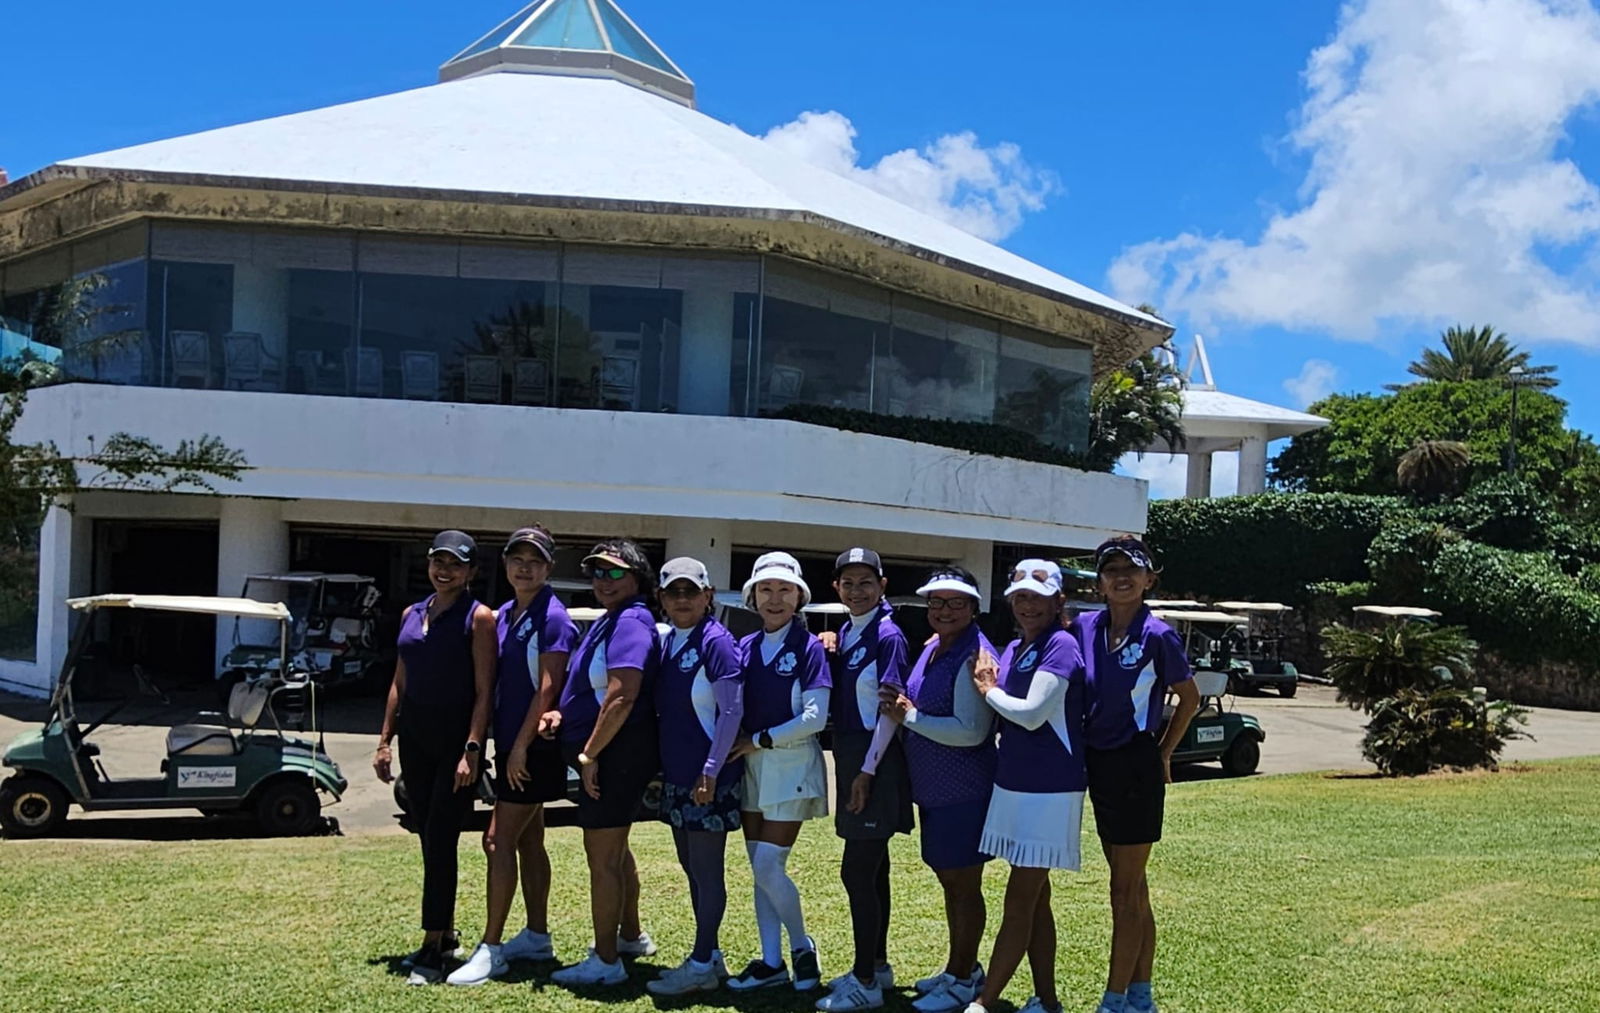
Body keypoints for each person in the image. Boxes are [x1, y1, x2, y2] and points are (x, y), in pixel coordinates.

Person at [1072, 537, 1199, 1013]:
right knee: (1133, 886)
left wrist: (1164, 753)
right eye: (1111, 569)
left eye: (1132, 569)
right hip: (1097, 765)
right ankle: (1140, 995)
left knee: (1123, 891)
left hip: (1135, 764)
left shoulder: (1158, 635)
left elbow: (1189, 699)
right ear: (1099, 581)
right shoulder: (1085, 625)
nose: (1121, 577)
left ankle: (1115, 998)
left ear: (1149, 579)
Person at [447, 525, 578, 986]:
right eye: (517, 559)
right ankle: (538, 936)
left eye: (535, 560)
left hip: (533, 746)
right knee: (528, 840)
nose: (525, 567)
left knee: (496, 840)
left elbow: (548, 687)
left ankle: (492, 947)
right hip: (510, 743)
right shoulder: (505, 614)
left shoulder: (553, 617)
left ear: (548, 568)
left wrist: (520, 747)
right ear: (504, 564)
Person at [962, 559, 1087, 1013]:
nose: (1027, 605)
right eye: (1020, 597)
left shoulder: (1062, 646)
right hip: (1014, 783)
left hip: (1050, 788)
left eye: (1037, 596)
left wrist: (987, 690)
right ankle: (1047, 1000)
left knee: (1020, 899)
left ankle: (984, 1001)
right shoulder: (1016, 648)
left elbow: (1032, 713)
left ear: (1058, 601)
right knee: (1036, 900)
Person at [373, 530, 496, 986]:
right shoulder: (412, 613)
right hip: (416, 741)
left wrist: (472, 749)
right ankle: (444, 935)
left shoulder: (479, 617)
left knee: (443, 838)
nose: (445, 570)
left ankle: (431, 950)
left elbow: (485, 691)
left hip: (455, 745)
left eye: (456, 564)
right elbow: (399, 682)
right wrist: (385, 739)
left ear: (471, 572)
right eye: (438, 561)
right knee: (428, 836)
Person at [877, 566, 996, 1013]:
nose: (944, 610)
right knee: (951, 883)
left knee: (964, 885)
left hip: (964, 789)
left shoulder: (974, 654)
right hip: (934, 790)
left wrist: (909, 717)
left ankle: (965, 977)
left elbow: (971, 731)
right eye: (937, 602)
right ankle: (958, 969)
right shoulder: (935, 647)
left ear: (973, 607)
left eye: (956, 602)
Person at [547, 538, 663, 987]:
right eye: (597, 572)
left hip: (615, 755)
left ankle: (606, 959)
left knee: (602, 859)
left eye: (615, 572)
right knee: (615, 852)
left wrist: (590, 752)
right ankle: (630, 936)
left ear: (637, 578)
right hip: (608, 752)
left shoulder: (632, 620)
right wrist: (563, 712)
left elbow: (621, 694)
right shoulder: (609, 620)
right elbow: (591, 687)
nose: (603, 580)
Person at [725, 551, 830, 994]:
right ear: (752, 596)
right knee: (759, 869)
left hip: (790, 767)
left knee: (769, 865)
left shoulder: (808, 648)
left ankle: (803, 947)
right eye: (765, 589)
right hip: (750, 769)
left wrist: (758, 740)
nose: (775, 598)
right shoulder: (744, 647)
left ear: (799, 596)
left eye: (784, 589)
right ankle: (771, 963)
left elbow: (815, 717)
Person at [817, 547, 913, 1012]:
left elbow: (891, 710)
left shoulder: (888, 634)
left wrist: (868, 771)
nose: (856, 590)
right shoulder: (851, 631)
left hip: (876, 760)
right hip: (857, 755)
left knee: (856, 870)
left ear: (882, 585)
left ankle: (865, 981)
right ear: (836, 588)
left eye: (865, 582)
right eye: (847, 583)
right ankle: (877, 965)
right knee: (875, 870)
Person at [646, 557, 745, 996]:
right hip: (678, 776)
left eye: (691, 591)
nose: (682, 599)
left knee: (707, 872)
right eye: (673, 592)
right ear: (662, 599)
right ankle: (710, 954)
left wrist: (710, 770)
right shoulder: (669, 641)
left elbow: (731, 711)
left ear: (709, 596)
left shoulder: (716, 642)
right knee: (690, 868)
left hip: (708, 779)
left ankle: (703, 961)